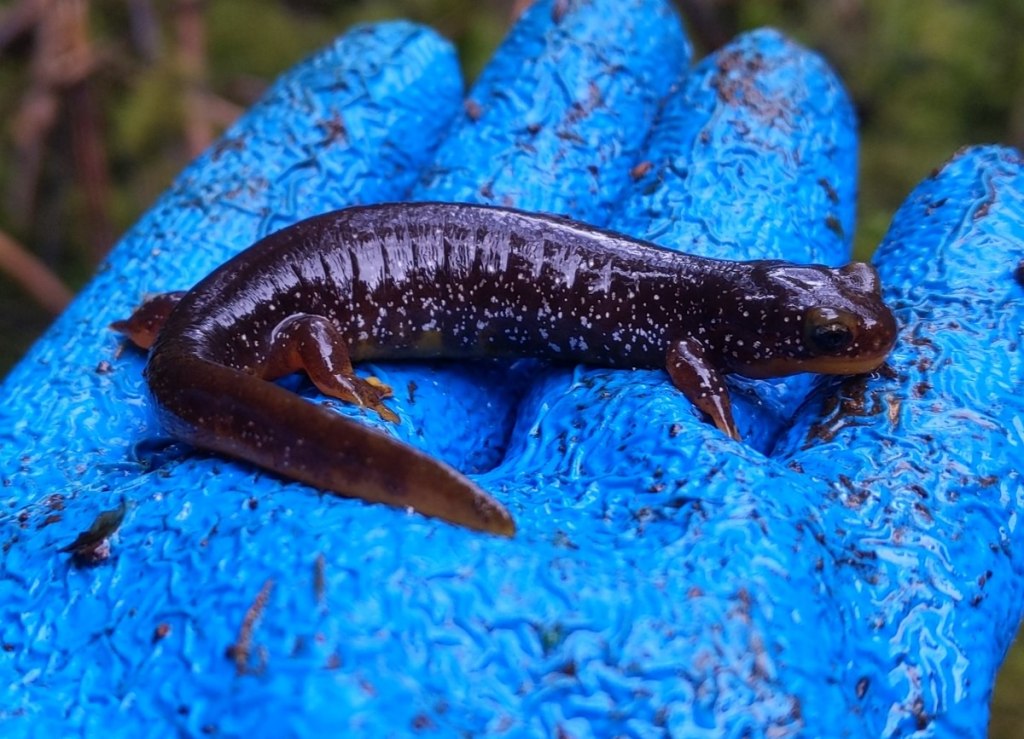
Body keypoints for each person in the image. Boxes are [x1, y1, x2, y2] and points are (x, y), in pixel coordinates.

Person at [1, 0, 1021, 734]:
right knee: (253, 344)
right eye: (833, 340)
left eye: (843, 331)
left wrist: (184, 330)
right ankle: (231, 360)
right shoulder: (701, 328)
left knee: (214, 332)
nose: (852, 347)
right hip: (266, 323)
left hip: (237, 306)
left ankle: (180, 339)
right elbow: (690, 366)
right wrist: (332, 377)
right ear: (768, 326)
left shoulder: (705, 304)